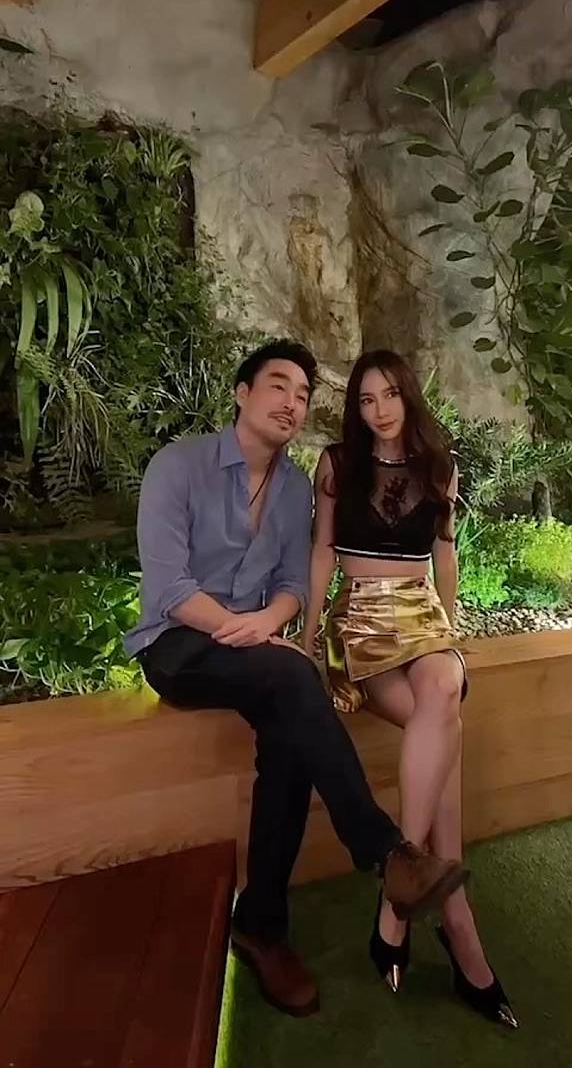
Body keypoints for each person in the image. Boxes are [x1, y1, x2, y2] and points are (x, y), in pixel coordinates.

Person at [124, 339, 467, 1020]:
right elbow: (169, 588)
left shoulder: (290, 488)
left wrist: (272, 623)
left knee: (288, 729)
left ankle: (262, 926)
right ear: (242, 393)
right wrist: (246, 629)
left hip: (259, 655)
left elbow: (292, 581)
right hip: (177, 645)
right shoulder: (179, 466)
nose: (292, 402)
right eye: (278, 386)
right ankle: (386, 853)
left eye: (304, 394)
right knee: (289, 675)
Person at [302, 349, 518, 1028]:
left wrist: (448, 628)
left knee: (444, 681)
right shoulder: (338, 464)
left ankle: (399, 897)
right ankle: (458, 925)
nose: (379, 410)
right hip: (361, 621)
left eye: (390, 395)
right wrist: (308, 635)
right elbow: (322, 552)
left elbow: (444, 552)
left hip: (422, 617)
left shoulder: (440, 466)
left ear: (409, 396)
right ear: (356, 408)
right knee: (445, 719)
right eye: (366, 400)